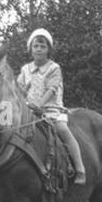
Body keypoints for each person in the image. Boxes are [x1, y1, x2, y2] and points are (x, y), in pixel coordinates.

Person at [18, 28, 87, 185]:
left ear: (48, 49)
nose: (39, 49)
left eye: (43, 46)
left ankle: (80, 168)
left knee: (63, 130)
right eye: (36, 46)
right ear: (31, 49)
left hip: (50, 110)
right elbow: (19, 88)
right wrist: (21, 91)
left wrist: (40, 105)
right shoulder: (25, 69)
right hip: (29, 111)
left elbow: (52, 89)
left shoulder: (54, 68)